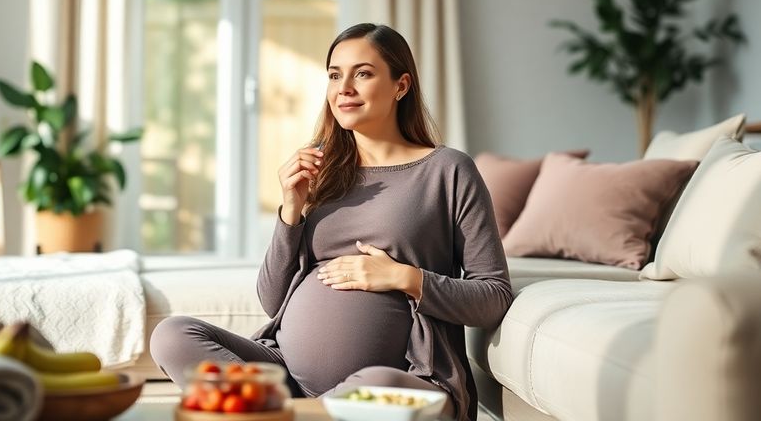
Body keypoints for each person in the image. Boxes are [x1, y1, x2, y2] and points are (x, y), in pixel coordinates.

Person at [151, 23, 513, 421]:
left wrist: (402, 277)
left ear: (401, 85)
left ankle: (283, 414)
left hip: (403, 378)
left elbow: (493, 298)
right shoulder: (321, 168)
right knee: (172, 335)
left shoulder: (448, 170)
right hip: (286, 373)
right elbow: (273, 301)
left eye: (363, 73)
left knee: (378, 386)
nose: (345, 88)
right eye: (335, 75)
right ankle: (304, 413)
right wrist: (291, 210)